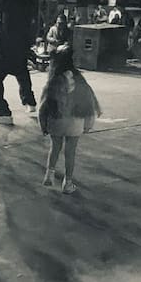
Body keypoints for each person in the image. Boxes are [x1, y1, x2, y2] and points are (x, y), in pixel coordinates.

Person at [38, 43, 101, 194]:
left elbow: (43, 106)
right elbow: (88, 102)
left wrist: (43, 125)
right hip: (75, 121)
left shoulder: (54, 80)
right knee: (70, 152)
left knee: (55, 148)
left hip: (56, 120)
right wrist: (88, 124)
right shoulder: (79, 79)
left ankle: (49, 175)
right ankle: (68, 183)